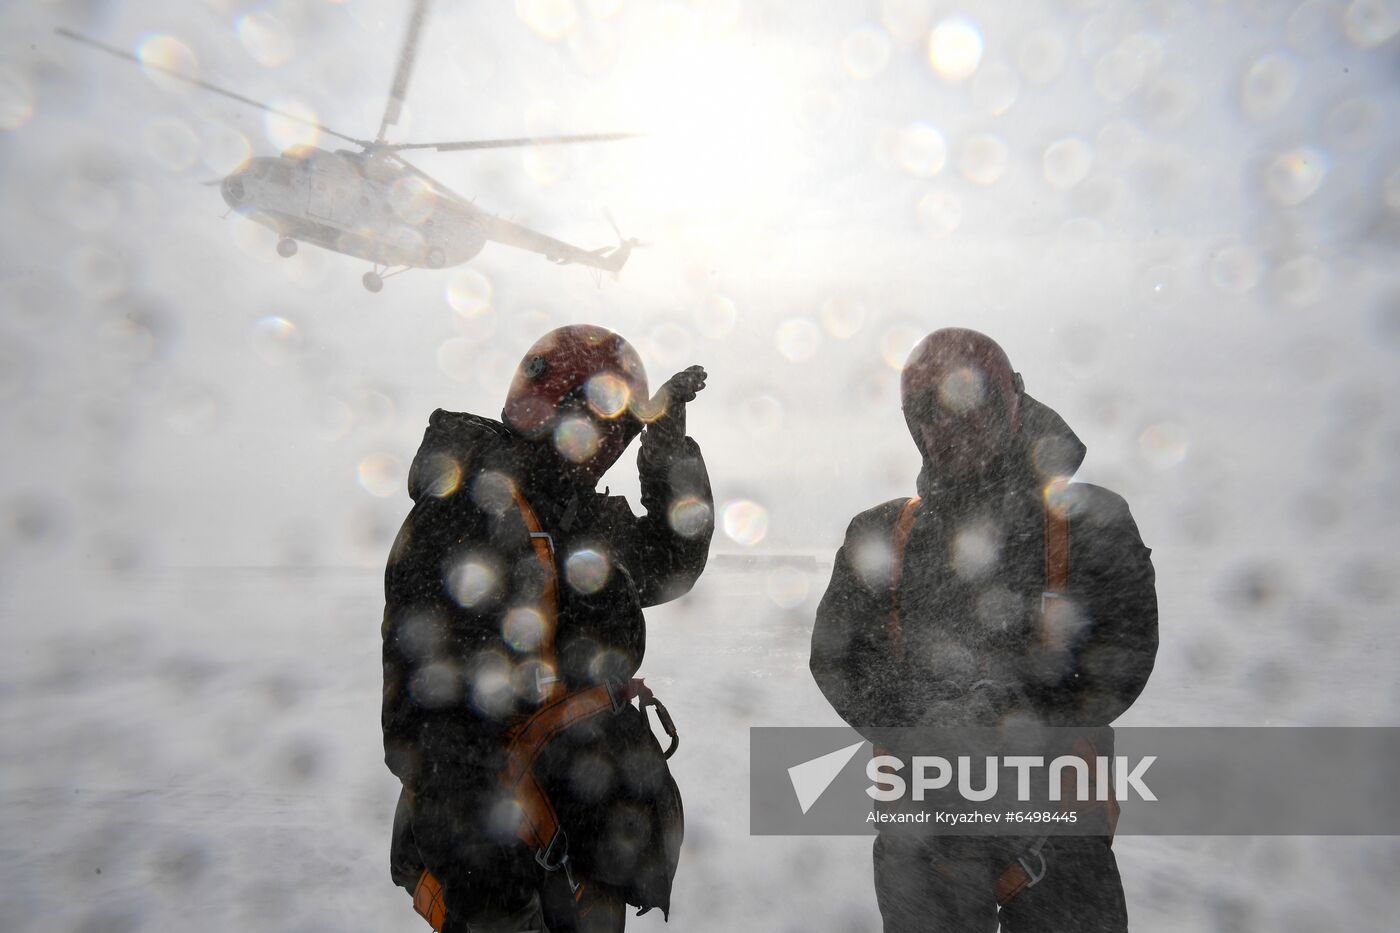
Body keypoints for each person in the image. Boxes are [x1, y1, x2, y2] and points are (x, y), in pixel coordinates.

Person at [810, 328, 1157, 932]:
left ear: (1011, 402)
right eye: (929, 411)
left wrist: (1026, 717)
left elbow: (1125, 649)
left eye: (972, 403)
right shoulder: (882, 535)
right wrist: (927, 722)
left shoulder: (1091, 524)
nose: (951, 425)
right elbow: (837, 659)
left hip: (1059, 831)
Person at [382, 325, 713, 932]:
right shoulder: (468, 511)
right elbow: (429, 718)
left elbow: (671, 565)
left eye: (623, 427)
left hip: (585, 840)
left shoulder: (580, 511)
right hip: (510, 860)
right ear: (557, 408)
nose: (613, 441)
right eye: (605, 419)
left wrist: (667, 454)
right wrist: (494, 893)